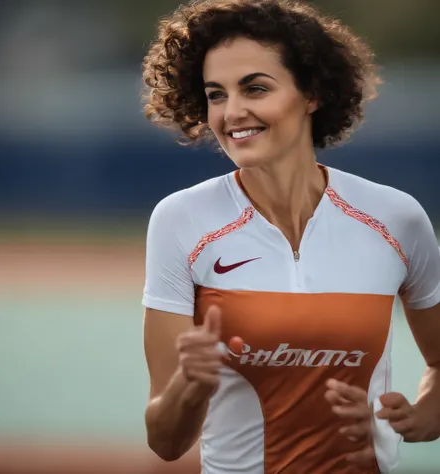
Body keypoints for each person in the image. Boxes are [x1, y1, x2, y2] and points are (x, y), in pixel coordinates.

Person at [141, 0, 440, 473]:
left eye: (255, 89)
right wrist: (190, 385)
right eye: (216, 94)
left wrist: (427, 417)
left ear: (312, 94)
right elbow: (165, 440)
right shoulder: (181, 220)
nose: (232, 112)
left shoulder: (396, 218)